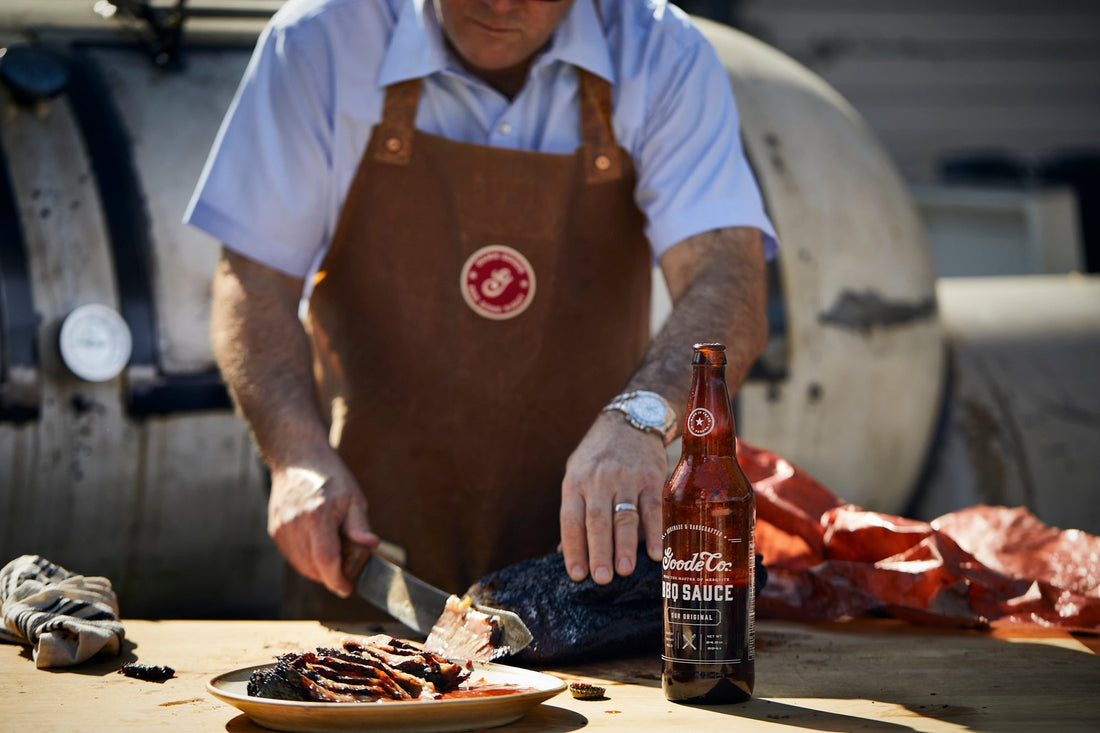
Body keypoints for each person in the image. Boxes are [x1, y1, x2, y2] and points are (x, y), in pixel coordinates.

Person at [185, 0, 776, 618]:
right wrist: (297, 456)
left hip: (591, 578)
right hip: (370, 561)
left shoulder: (662, 52)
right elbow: (255, 278)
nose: (500, 2)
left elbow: (725, 274)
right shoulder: (318, 43)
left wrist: (641, 420)